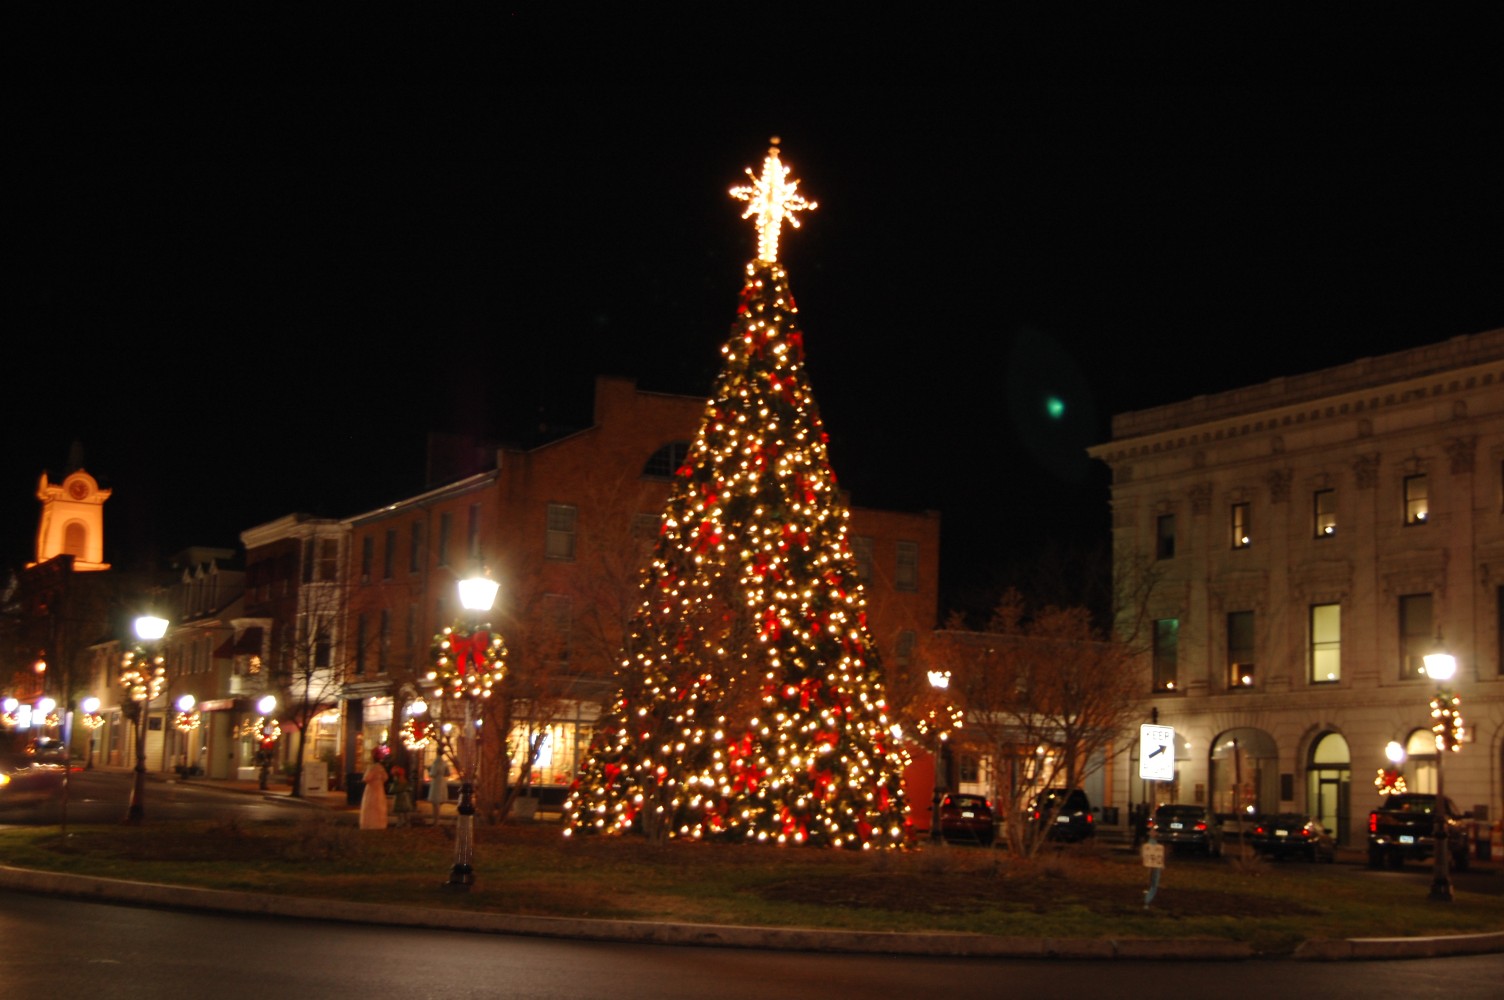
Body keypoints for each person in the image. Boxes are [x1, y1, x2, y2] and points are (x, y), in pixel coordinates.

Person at [359, 752, 390, 830]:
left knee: (370, 805)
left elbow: (366, 778)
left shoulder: (371, 767)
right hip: (379, 788)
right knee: (379, 805)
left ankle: (370, 823)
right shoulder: (381, 767)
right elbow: (386, 777)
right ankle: (380, 823)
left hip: (372, 788)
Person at [427, 754, 448, 825]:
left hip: (436, 782)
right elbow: (447, 773)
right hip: (442, 782)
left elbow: (433, 773)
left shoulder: (436, 762)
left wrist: (429, 770)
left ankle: (436, 820)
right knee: (438, 802)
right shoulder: (444, 762)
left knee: (435, 802)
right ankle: (437, 819)